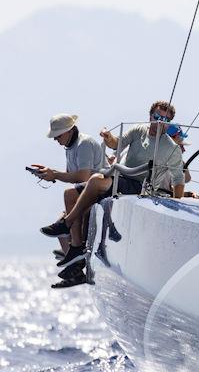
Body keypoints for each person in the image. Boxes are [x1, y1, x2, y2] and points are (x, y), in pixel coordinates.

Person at [41, 101, 185, 281]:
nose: (160, 122)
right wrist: (108, 137)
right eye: (157, 117)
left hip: (139, 185)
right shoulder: (138, 130)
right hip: (122, 177)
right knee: (69, 194)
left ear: (170, 122)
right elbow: (117, 143)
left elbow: (179, 179)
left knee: (95, 180)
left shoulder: (171, 148)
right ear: (150, 116)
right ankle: (76, 247)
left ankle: (67, 222)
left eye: (165, 119)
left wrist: (177, 203)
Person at [32, 114, 104, 256]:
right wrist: (49, 174)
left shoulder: (84, 144)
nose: (55, 139)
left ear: (69, 131)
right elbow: (71, 176)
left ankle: (75, 249)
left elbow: (83, 176)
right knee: (59, 228)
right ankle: (73, 265)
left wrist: (55, 174)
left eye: (58, 136)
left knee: (66, 203)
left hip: (97, 191)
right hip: (83, 192)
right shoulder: (69, 147)